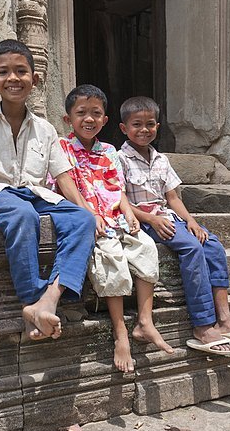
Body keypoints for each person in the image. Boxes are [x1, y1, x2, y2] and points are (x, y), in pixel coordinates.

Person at [0, 39, 96, 341]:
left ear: (35, 79)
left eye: (21, 71)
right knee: (23, 215)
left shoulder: (44, 128)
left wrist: (84, 206)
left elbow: (63, 174)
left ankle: (50, 298)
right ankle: (31, 298)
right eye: (4, 72)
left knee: (83, 220)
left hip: (38, 193)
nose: (13, 78)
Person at [118, 96, 230, 356]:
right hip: (145, 221)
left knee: (212, 244)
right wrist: (151, 219)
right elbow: (120, 202)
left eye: (150, 124)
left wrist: (192, 221)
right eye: (137, 124)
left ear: (158, 126)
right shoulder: (119, 159)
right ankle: (203, 324)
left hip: (169, 217)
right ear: (124, 128)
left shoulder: (161, 159)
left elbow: (173, 198)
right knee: (191, 249)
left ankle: (225, 318)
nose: (144, 130)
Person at [57, 84, 174, 374]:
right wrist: (87, 213)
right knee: (114, 263)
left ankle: (145, 322)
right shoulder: (61, 147)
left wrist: (128, 213)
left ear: (105, 120)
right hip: (91, 221)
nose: (89, 119)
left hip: (116, 218)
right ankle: (120, 332)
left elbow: (117, 188)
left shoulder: (108, 151)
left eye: (96, 113)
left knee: (146, 250)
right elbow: (64, 184)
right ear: (67, 118)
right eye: (81, 113)